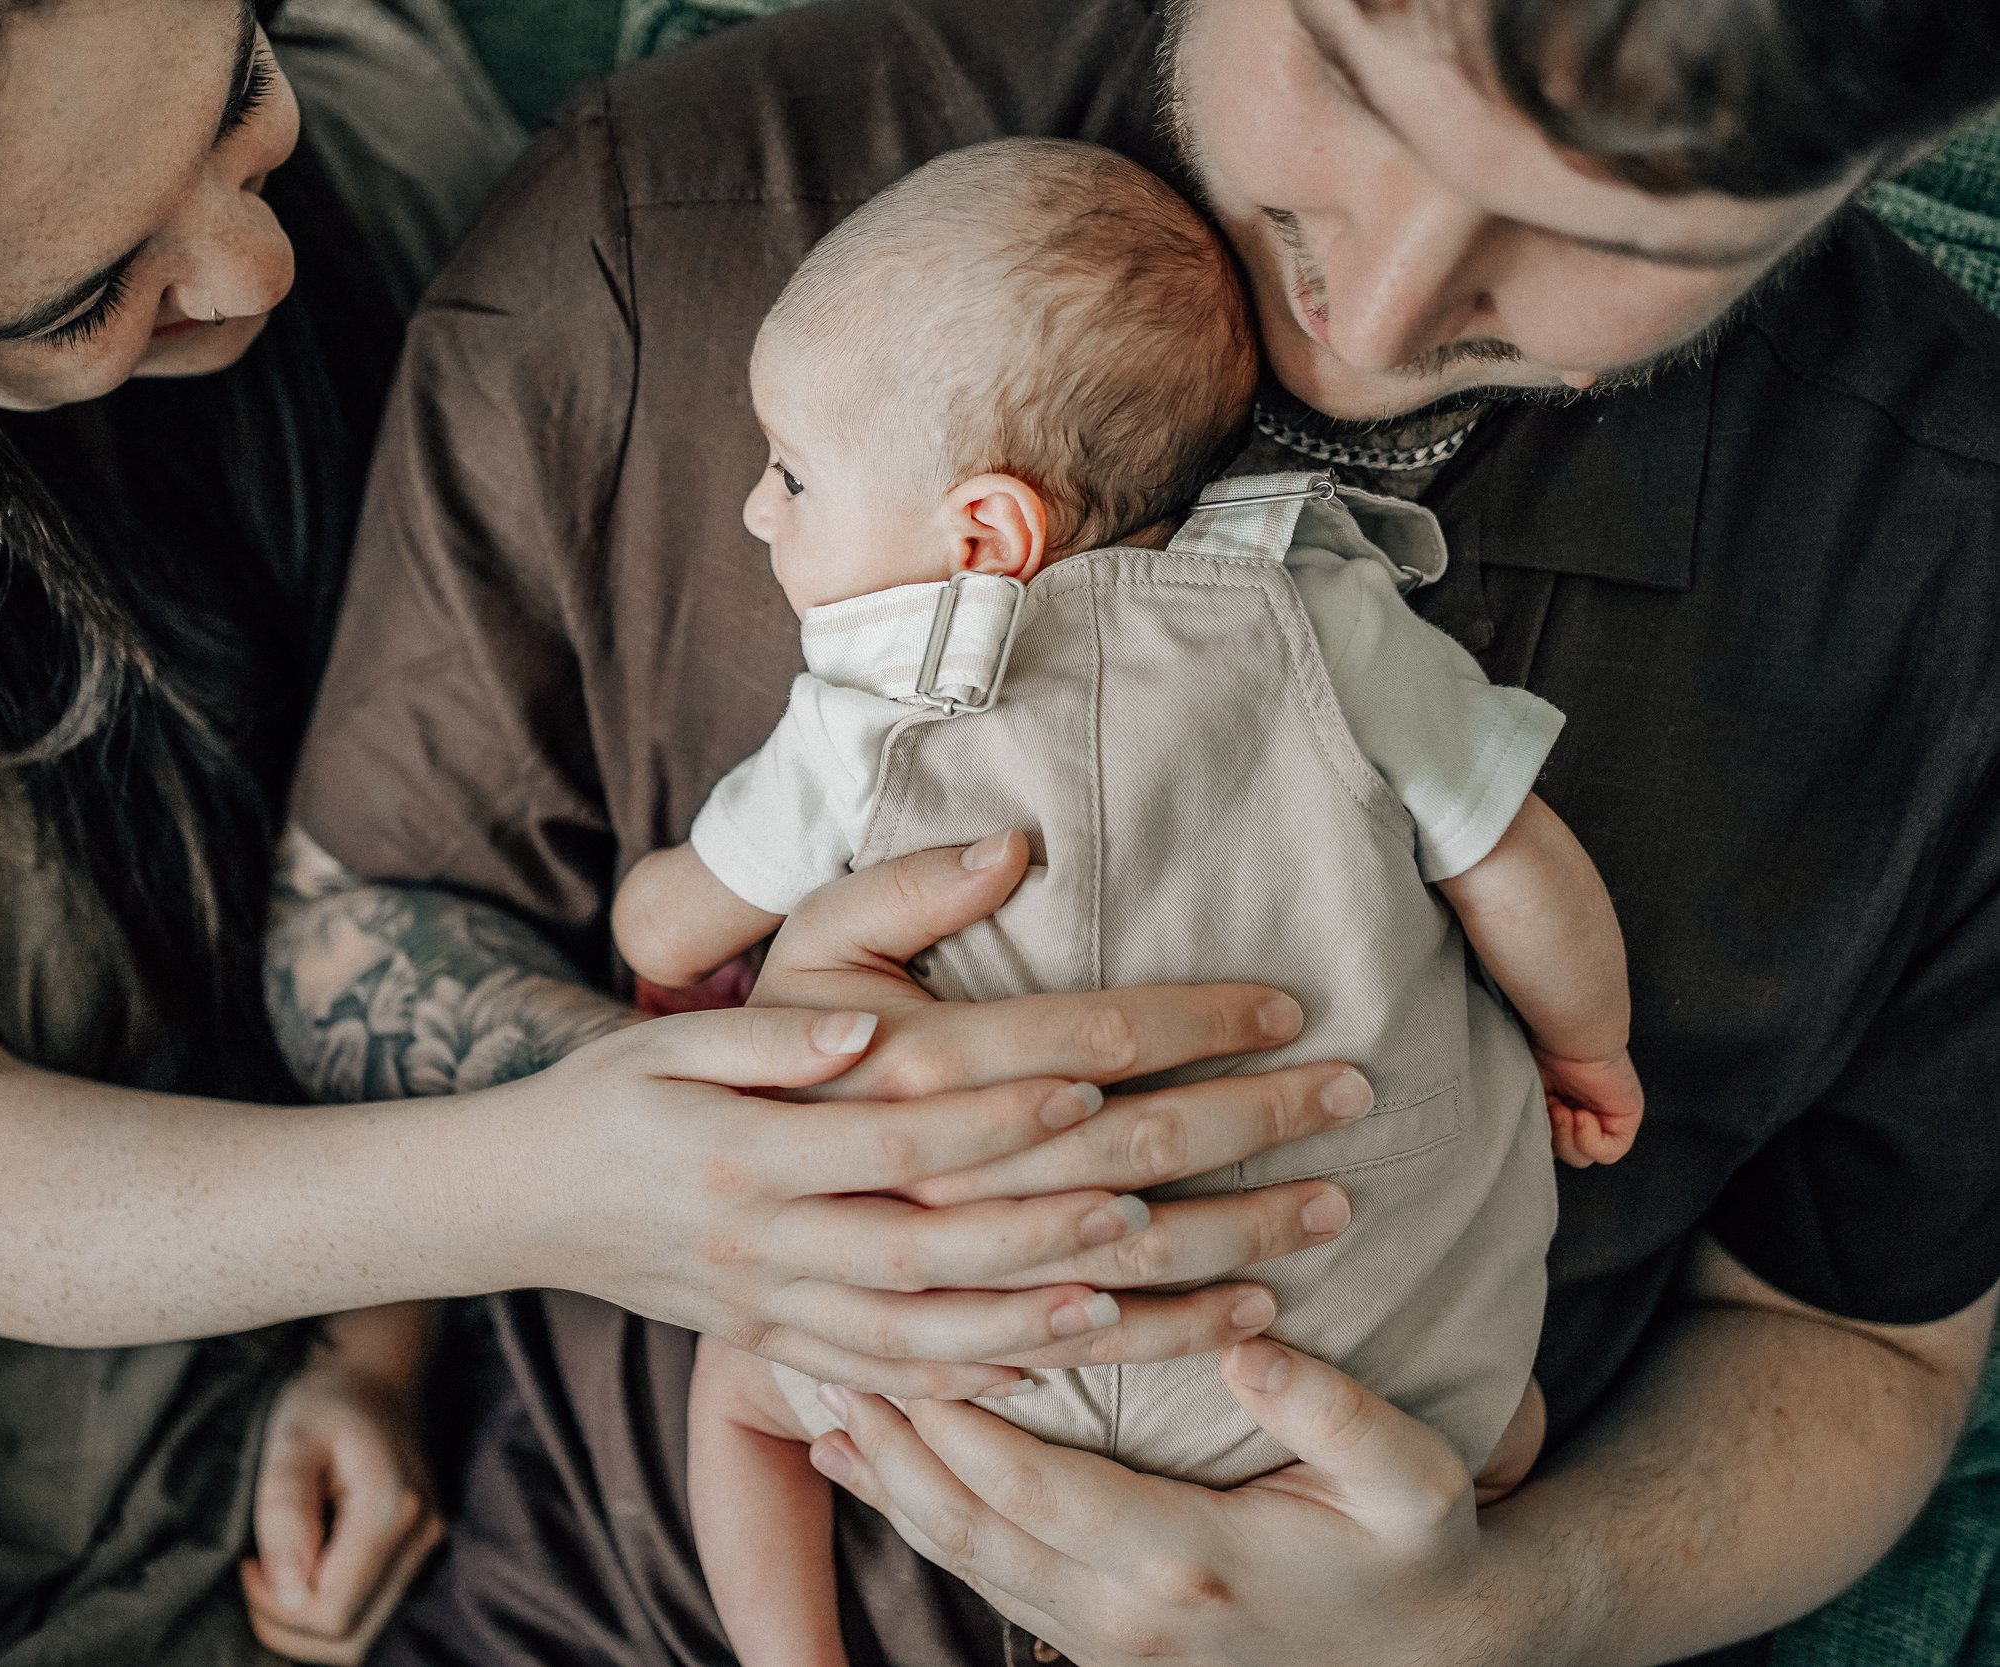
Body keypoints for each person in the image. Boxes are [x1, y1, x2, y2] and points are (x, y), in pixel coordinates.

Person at [0, 2, 1344, 1662]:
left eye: (243, 93)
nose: (253, 268)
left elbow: (468, 845)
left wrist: (367, 1339)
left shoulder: (475, 222)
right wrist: (565, 1193)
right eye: (76, 299)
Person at [273, 0, 2000, 1663]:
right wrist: (751, 1153)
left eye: (1616, 232)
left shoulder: (1947, 563)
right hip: (592, 1611)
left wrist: (1504, 1619)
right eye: (1347, 71)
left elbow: (1860, 1338)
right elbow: (368, 922)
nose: (1382, 309)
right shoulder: (672, 210)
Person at [620, 136, 1641, 1667]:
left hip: (979, 1355)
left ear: (985, 535)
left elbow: (675, 924)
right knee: (1500, 1434)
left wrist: (655, 944)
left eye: (792, 472)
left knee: (744, 1396)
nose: (761, 512)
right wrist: (1590, 1048)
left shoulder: (871, 700)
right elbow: (1517, 859)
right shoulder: (1324, 613)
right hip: (1325, 1350)